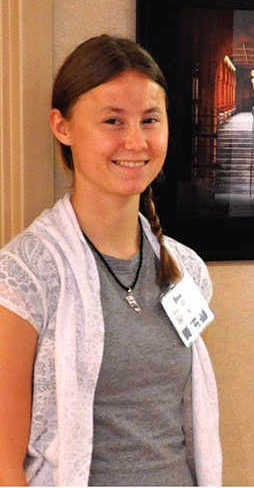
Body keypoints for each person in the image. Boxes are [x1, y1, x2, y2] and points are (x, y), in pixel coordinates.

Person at [0, 35, 222, 485]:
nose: (136, 141)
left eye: (150, 120)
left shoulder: (186, 270)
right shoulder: (25, 274)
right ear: (62, 127)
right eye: (113, 121)